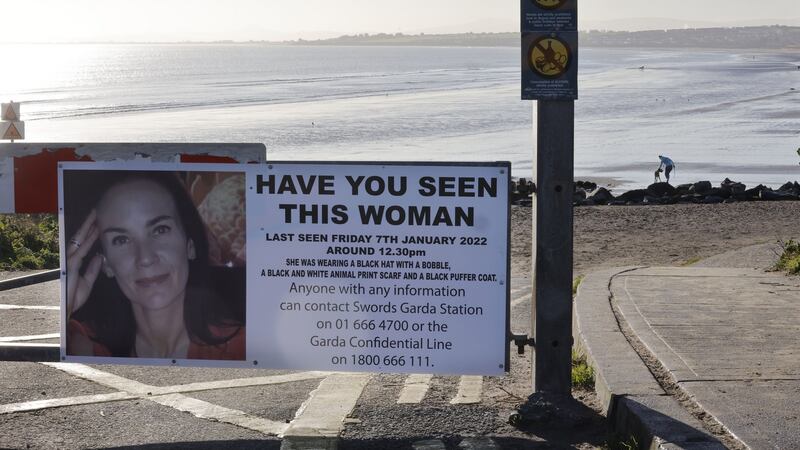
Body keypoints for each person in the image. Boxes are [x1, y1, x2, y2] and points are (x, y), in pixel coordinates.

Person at [65, 171, 245, 360]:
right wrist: (66, 306)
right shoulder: (80, 346)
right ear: (106, 264)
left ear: (189, 246)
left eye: (160, 230)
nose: (145, 258)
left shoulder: (244, 349)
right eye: (121, 239)